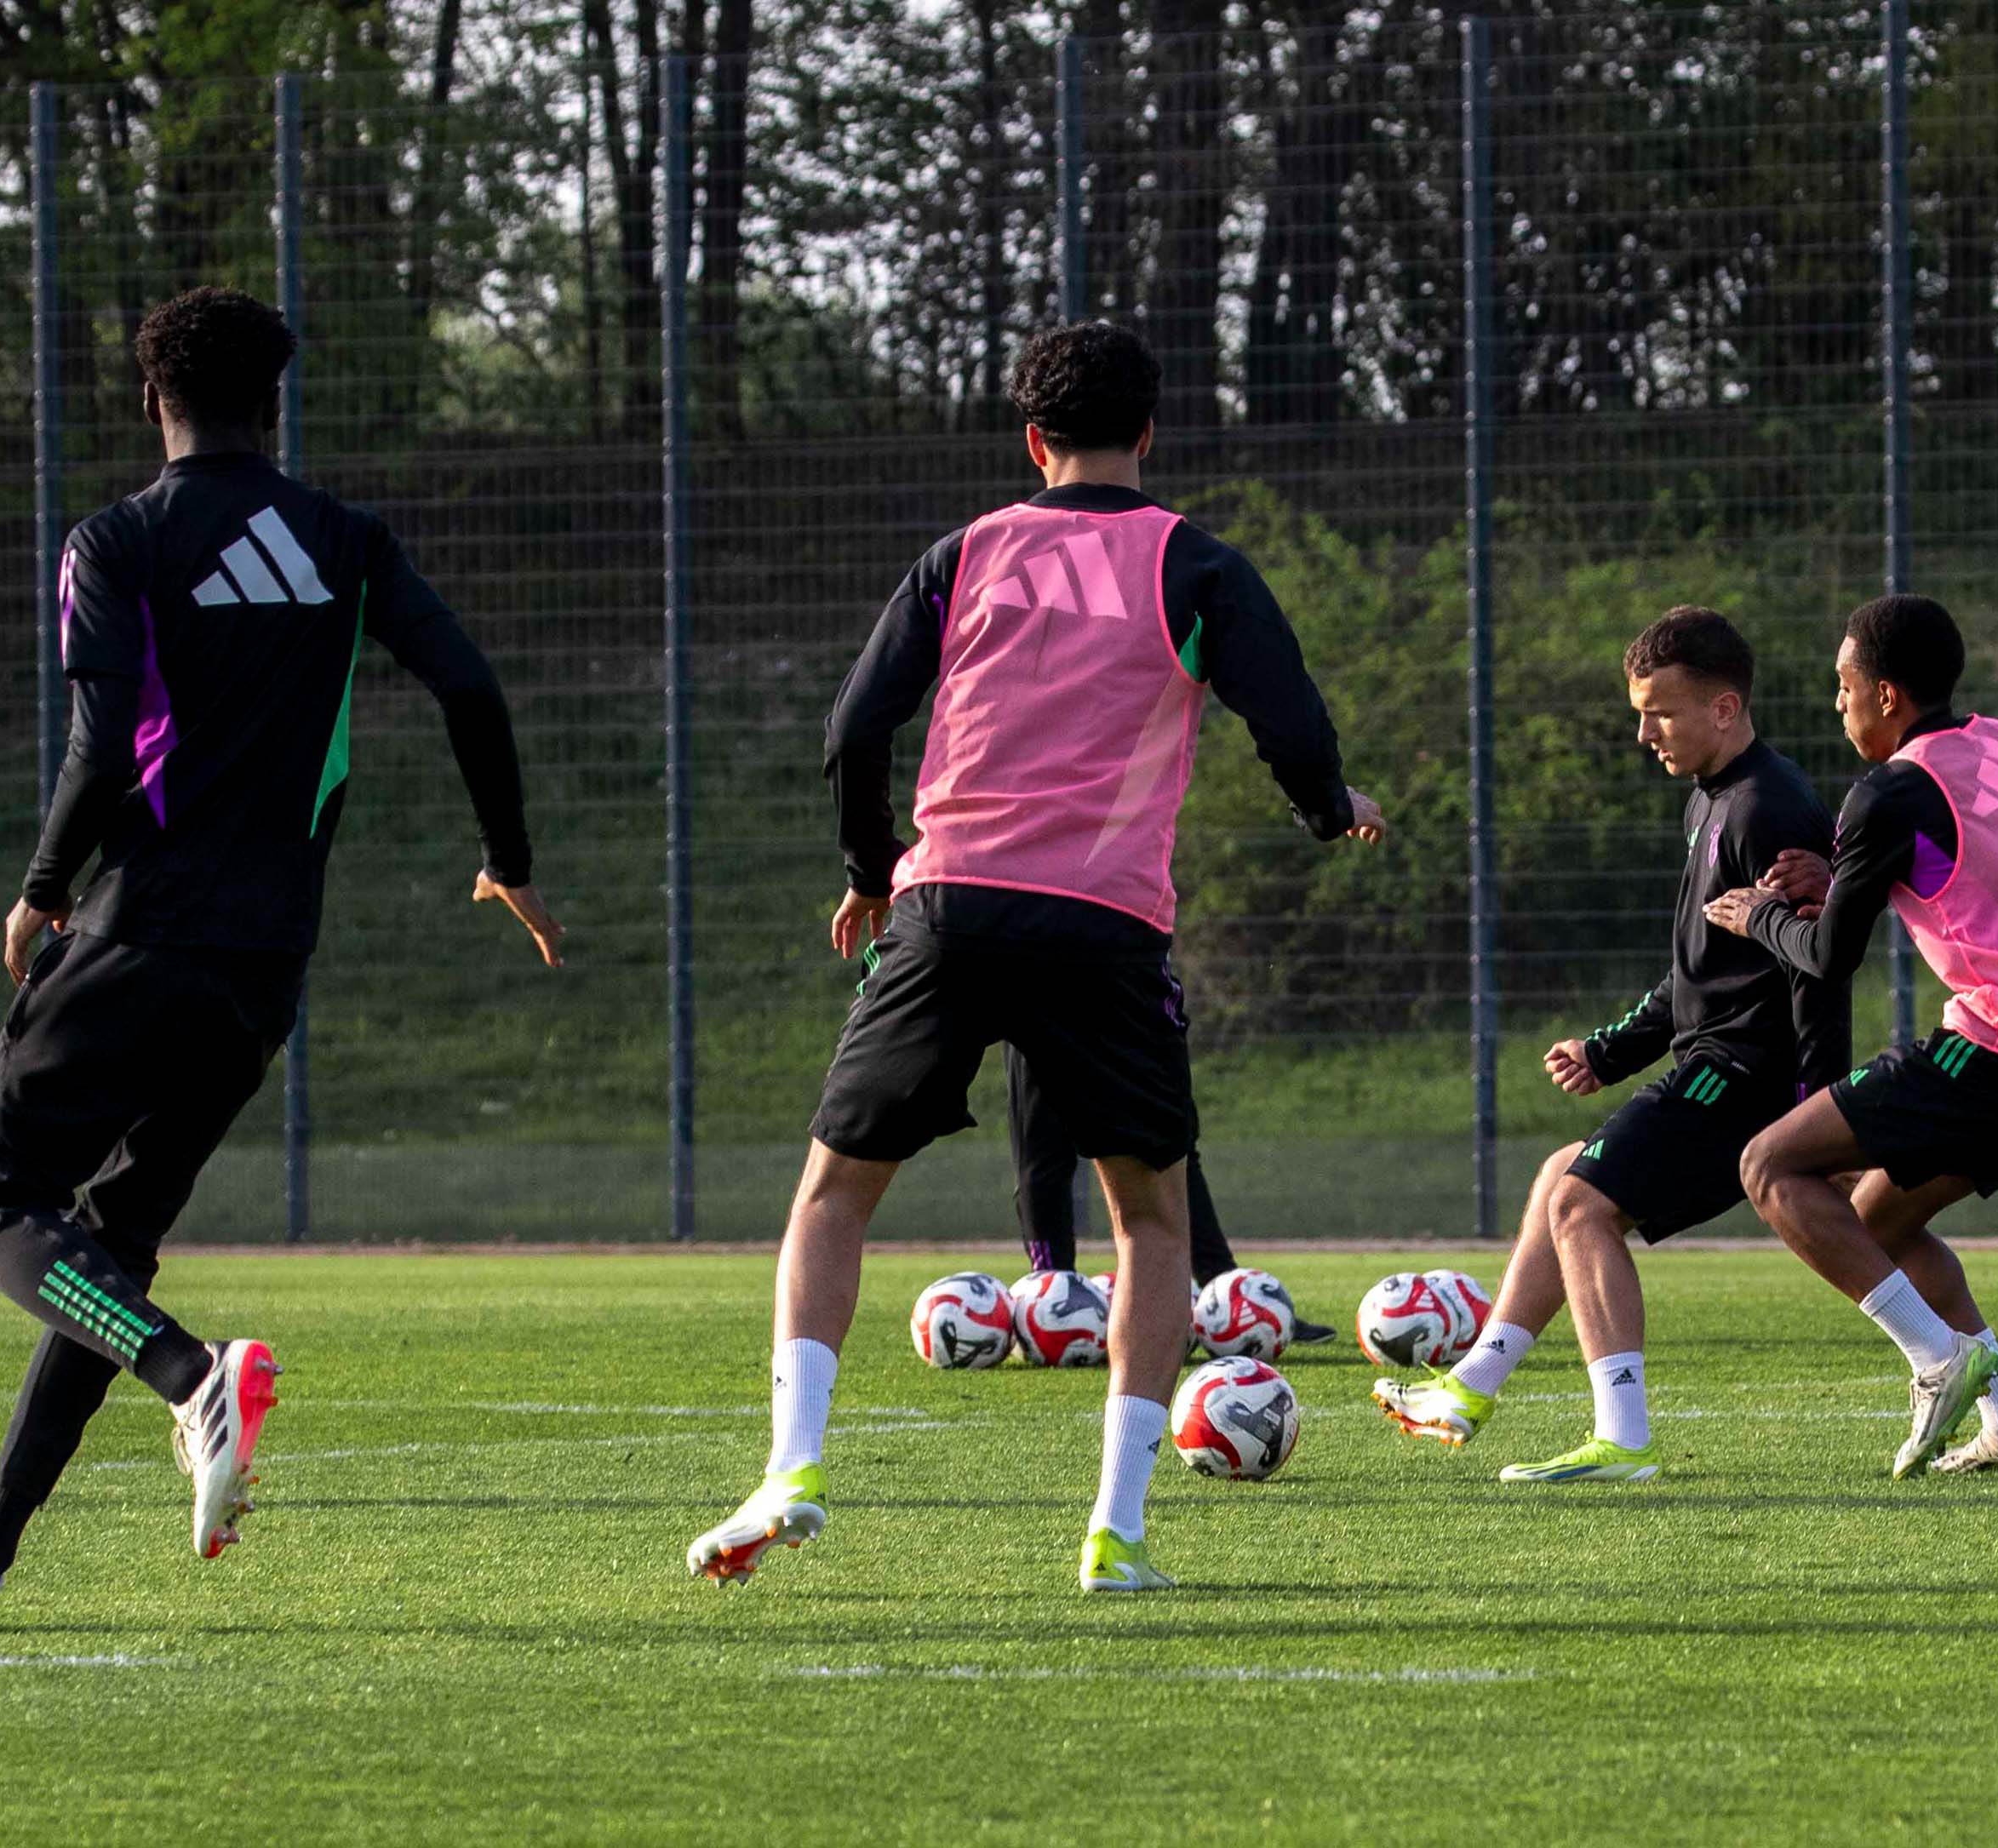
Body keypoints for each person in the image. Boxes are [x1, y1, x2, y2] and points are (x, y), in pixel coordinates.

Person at [686, 321, 1383, 1595]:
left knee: (834, 1195)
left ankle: (792, 1465)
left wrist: (865, 871)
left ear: (1031, 441)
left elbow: (855, 728)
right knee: (1154, 1221)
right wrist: (1330, 806)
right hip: (1102, 924)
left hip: (944, 906)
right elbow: (1287, 714)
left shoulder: (965, 552)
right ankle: (1114, 1532)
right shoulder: (1194, 561)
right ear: (1151, 434)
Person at [0, 286, 562, 1629]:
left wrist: (39, 890)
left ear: (155, 399)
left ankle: (192, 1373)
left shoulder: (119, 539)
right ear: (272, 400)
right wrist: (508, 855)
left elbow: (100, 750)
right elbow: (473, 688)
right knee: (111, 1241)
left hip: (139, 929)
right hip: (265, 965)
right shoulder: (347, 540)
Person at [1373, 607, 1849, 1483]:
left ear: (1723, 706)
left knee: (1583, 1203)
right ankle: (1473, 1384)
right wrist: (1611, 1050)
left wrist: (1821, 1107)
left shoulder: (1768, 805)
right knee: (1563, 1174)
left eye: (1658, 712)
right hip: (1714, 1064)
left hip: (1745, 1079)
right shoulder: (1712, 797)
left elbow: (1819, 966)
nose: (1643, 733)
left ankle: (1622, 1438)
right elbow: (1700, 968)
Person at [1709, 593, 1998, 1477]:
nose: (1837, 703)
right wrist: (1851, 872)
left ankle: (1939, 1359)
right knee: (1876, 1216)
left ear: (1885, 694)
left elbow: (1823, 956)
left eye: (1844, 686)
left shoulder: (1886, 791)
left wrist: (1761, 914)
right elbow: (1968, 865)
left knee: (1768, 1166)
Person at [1006, 1050, 1337, 1344]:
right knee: (1044, 1150)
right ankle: (1049, 1303)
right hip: (1040, 992)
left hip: (1127, 994)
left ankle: (1229, 1300)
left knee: (1169, 1145)